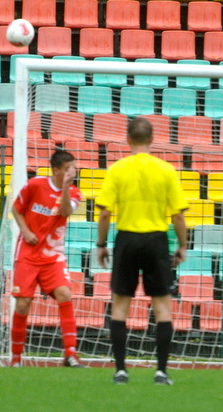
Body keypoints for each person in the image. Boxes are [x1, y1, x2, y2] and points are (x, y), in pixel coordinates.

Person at [95, 117, 188, 385]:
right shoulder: (166, 170)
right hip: (156, 239)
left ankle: (121, 370)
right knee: (162, 306)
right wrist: (182, 245)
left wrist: (101, 245)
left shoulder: (117, 169)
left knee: (121, 304)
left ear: (128, 139)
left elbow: (104, 214)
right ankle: (161, 372)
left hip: (126, 239)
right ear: (152, 139)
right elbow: (178, 216)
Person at [9, 150, 85, 368]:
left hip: (52, 254)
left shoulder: (74, 193)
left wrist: (64, 188)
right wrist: (25, 232)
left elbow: (65, 212)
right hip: (28, 253)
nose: (74, 171)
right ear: (56, 170)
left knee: (65, 293)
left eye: (74, 167)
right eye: (69, 168)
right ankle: (16, 359)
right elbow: (16, 209)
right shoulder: (35, 185)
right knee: (23, 303)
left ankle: (70, 354)